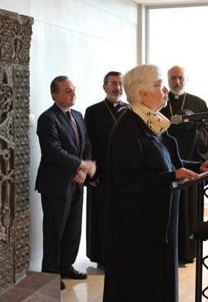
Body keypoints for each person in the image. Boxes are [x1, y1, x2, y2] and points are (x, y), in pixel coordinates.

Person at [103, 64, 208, 302]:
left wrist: (199, 166)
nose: (166, 90)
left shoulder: (154, 122)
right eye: (159, 85)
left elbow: (169, 164)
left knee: (160, 284)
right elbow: (128, 183)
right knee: (142, 287)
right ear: (141, 93)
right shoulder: (128, 128)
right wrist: (172, 176)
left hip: (159, 223)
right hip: (137, 230)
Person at [35, 75, 96, 290]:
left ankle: (66, 265)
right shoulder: (47, 119)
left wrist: (83, 171)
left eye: (74, 89)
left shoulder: (78, 116)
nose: (73, 94)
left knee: (72, 228)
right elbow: (53, 151)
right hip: (55, 184)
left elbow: (87, 144)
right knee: (55, 229)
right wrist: (81, 165)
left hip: (77, 181)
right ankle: (50, 273)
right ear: (55, 94)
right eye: (68, 91)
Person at [159, 65, 208, 264]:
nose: (177, 82)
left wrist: (191, 132)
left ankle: (189, 251)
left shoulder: (199, 103)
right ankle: (171, 251)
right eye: (173, 78)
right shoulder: (161, 104)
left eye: (180, 78)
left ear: (186, 80)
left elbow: (207, 134)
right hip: (169, 166)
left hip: (192, 164)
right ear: (168, 80)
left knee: (190, 210)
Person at [84, 71, 127, 267]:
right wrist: (91, 173)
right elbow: (87, 143)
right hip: (101, 173)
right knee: (101, 215)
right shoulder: (93, 111)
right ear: (104, 87)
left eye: (120, 84)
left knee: (122, 216)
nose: (117, 87)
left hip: (125, 173)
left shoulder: (130, 110)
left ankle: (121, 255)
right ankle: (102, 256)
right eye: (113, 83)